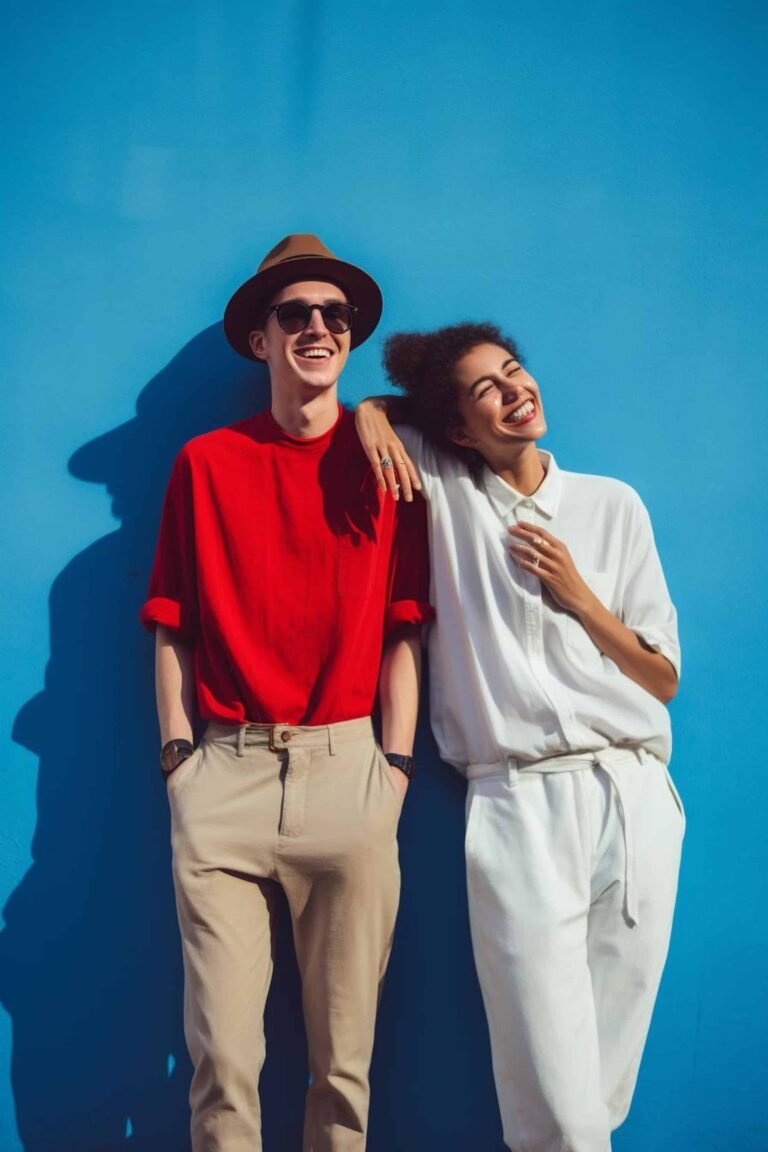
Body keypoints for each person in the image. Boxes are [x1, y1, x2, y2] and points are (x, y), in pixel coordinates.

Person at [356, 322, 684, 1152]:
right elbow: (386, 417)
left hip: (633, 794)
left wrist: (579, 595)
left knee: (600, 1090)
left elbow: (663, 677)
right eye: (485, 390)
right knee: (555, 1093)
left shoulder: (614, 505)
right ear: (457, 428)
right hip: (518, 800)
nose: (515, 390)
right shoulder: (450, 495)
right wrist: (367, 411)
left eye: (514, 371)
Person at [140, 234, 433, 1152]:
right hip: (222, 773)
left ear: (349, 338)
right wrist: (180, 757)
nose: (317, 325)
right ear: (260, 339)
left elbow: (404, 629)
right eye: (294, 313)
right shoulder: (206, 463)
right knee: (224, 1063)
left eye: (334, 315)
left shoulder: (391, 470)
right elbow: (171, 621)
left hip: (349, 771)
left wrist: (391, 767)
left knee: (344, 1068)